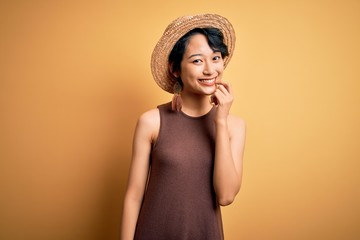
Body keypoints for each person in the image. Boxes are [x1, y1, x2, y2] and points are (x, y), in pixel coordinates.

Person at [121, 13, 246, 240]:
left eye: (216, 58)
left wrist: (219, 120)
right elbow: (133, 195)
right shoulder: (152, 121)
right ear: (175, 69)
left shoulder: (234, 126)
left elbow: (226, 196)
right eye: (197, 60)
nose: (210, 70)